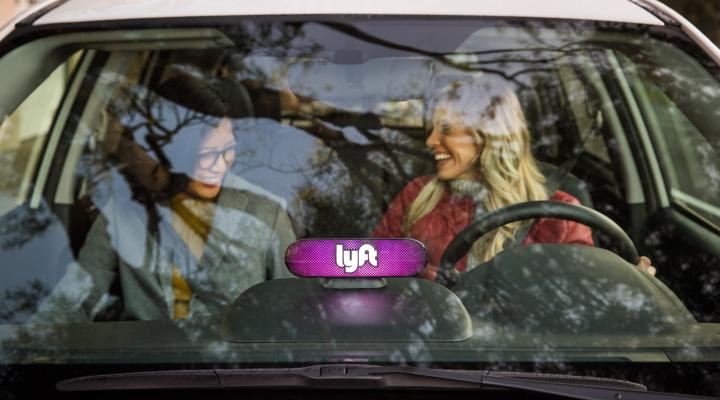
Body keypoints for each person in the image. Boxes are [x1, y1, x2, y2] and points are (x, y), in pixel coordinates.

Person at [34, 74, 296, 322]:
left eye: (227, 150)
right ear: (170, 152)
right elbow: (73, 298)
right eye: (205, 155)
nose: (219, 165)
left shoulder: (266, 213)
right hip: (145, 366)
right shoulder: (124, 210)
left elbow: (294, 314)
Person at [373, 76, 655, 280]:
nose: (431, 140)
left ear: (490, 135)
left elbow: (583, 294)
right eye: (433, 128)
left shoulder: (561, 216)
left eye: (446, 129)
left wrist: (627, 282)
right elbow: (370, 265)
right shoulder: (417, 195)